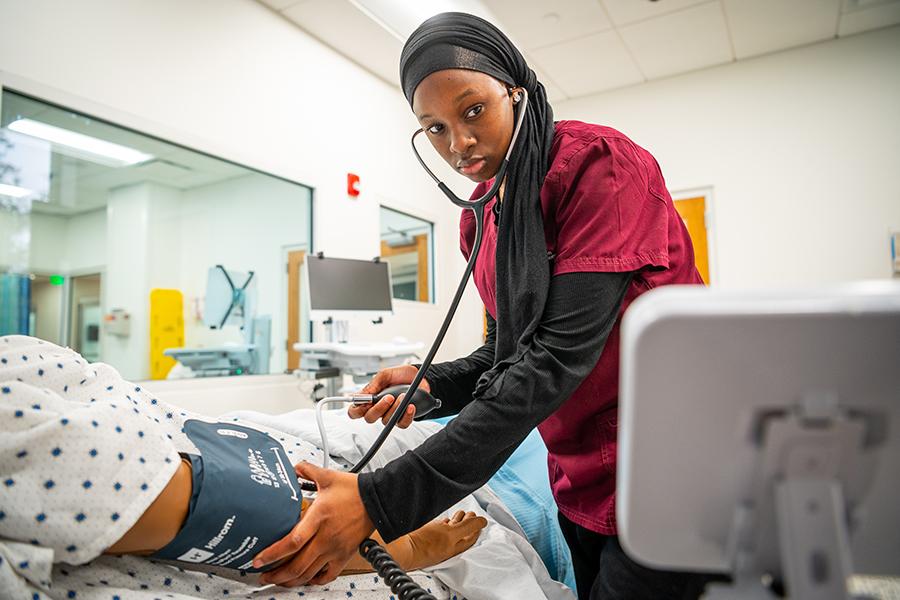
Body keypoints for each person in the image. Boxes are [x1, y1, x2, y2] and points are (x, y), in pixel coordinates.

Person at [251, 12, 707, 600]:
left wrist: (379, 500)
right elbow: (504, 351)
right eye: (434, 128)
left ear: (516, 93)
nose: (458, 144)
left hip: (667, 468)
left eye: (472, 111)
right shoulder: (483, 218)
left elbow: (556, 359)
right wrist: (433, 384)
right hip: (578, 474)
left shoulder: (599, 167)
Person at [0, 334, 486, 598]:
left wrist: (444, 379)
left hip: (261, 445)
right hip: (327, 489)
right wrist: (417, 545)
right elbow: (255, 518)